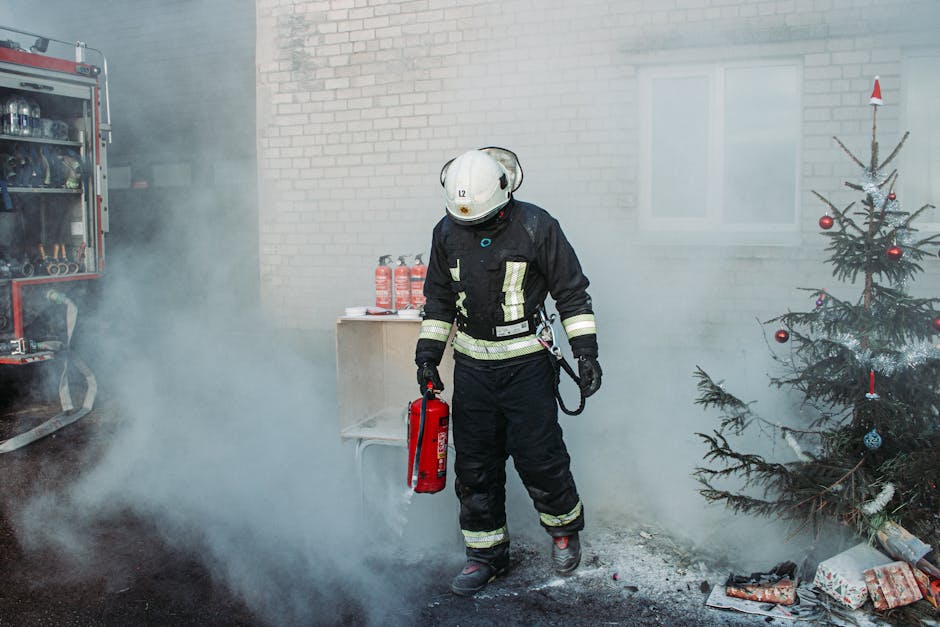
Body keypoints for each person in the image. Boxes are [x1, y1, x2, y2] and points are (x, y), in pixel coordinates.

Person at [414, 147, 602, 596]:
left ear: (505, 195)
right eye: (465, 222)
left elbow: (571, 293)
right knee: (475, 465)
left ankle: (563, 532)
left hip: (527, 366)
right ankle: (485, 556)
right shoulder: (446, 231)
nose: (472, 228)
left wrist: (586, 351)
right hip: (473, 367)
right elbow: (438, 301)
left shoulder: (538, 226)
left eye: (479, 220)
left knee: (540, 457)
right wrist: (427, 356)